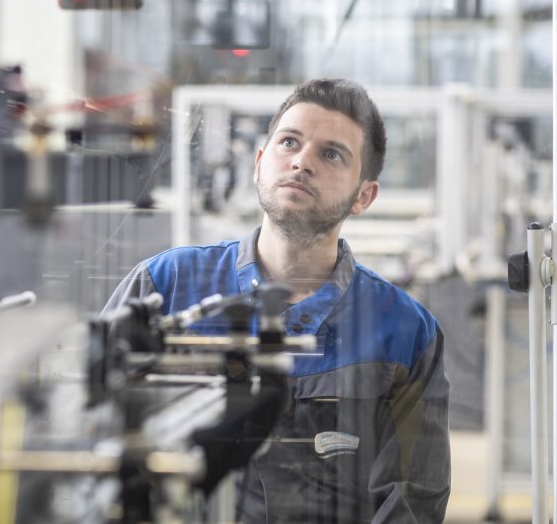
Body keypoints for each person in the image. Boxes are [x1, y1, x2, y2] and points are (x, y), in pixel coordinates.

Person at [105, 79, 450, 522]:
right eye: (290, 142)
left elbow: (412, 504)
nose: (302, 162)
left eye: (331, 154)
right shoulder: (164, 287)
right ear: (260, 162)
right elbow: (92, 444)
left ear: (364, 195)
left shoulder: (406, 334)